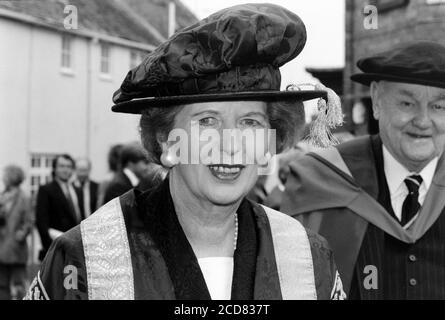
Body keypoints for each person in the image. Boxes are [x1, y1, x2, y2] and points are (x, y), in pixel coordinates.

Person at [25, 3, 345, 300]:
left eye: (250, 122)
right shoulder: (85, 260)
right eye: (207, 121)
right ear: (166, 141)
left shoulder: (307, 256)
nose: (231, 144)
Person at [281, 41, 445, 299]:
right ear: (377, 100)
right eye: (406, 103)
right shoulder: (322, 180)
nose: (423, 121)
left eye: (439, 107)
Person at [35, 154, 83, 261]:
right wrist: (49, 247)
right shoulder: (46, 190)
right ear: (55, 169)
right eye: (62, 166)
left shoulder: (77, 190)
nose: (65, 170)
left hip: (75, 248)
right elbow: (41, 222)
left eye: (69, 166)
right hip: (55, 248)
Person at [0, 165, 33, 299]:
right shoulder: (3, 196)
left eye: (5, 175)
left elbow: (29, 221)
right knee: (1, 283)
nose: (3, 178)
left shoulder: (24, 197)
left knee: (19, 283)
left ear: (12, 177)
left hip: (15, 247)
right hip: (1, 245)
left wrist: (21, 234)